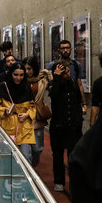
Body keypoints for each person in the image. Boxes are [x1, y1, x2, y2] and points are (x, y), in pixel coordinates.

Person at [0, 62, 36, 162]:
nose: (18, 78)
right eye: (15, 74)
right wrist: (4, 111)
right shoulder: (3, 87)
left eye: (21, 75)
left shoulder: (27, 87)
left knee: (26, 157)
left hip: (24, 126)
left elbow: (33, 106)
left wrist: (27, 114)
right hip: (8, 125)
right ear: (10, 74)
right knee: (7, 158)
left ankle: (25, 178)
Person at [49, 60, 83, 191]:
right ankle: (59, 181)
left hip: (73, 127)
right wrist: (56, 76)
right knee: (57, 155)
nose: (66, 74)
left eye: (67, 71)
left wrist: (78, 120)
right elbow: (55, 95)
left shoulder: (72, 85)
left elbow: (78, 101)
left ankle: (74, 181)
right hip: (58, 127)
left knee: (73, 155)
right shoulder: (54, 85)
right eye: (63, 72)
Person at [23, 56, 52, 167]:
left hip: (37, 117)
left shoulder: (41, 80)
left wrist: (49, 76)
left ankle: (32, 166)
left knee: (37, 148)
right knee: (26, 150)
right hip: (24, 117)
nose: (27, 72)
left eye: (29, 69)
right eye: (25, 68)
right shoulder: (20, 80)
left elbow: (52, 87)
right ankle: (29, 171)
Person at [47, 39, 87, 115]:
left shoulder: (76, 65)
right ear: (59, 50)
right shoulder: (52, 65)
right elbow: (50, 85)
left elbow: (79, 84)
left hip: (74, 99)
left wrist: (84, 103)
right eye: (63, 48)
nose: (65, 50)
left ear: (71, 49)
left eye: (67, 48)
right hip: (59, 100)